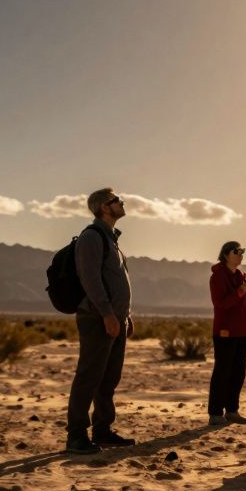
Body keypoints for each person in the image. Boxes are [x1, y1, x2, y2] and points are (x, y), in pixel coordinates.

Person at [66, 188, 135, 455]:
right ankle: (76, 436)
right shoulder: (92, 237)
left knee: (109, 378)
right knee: (89, 376)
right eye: (116, 200)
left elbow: (116, 282)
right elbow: (90, 279)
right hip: (97, 318)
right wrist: (107, 313)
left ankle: (102, 430)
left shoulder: (111, 239)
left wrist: (126, 315)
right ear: (104, 207)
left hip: (116, 318)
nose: (121, 202)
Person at [208, 241, 246, 425]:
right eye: (236, 251)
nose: (240, 255)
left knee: (238, 373)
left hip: (242, 330)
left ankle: (232, 410)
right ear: (226, 254)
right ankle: (215, 413)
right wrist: (242, 290)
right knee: (222, 372)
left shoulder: (241, 275)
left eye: (242, 251)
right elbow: (221, 303)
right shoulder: (218, 276)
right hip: (225, 331)